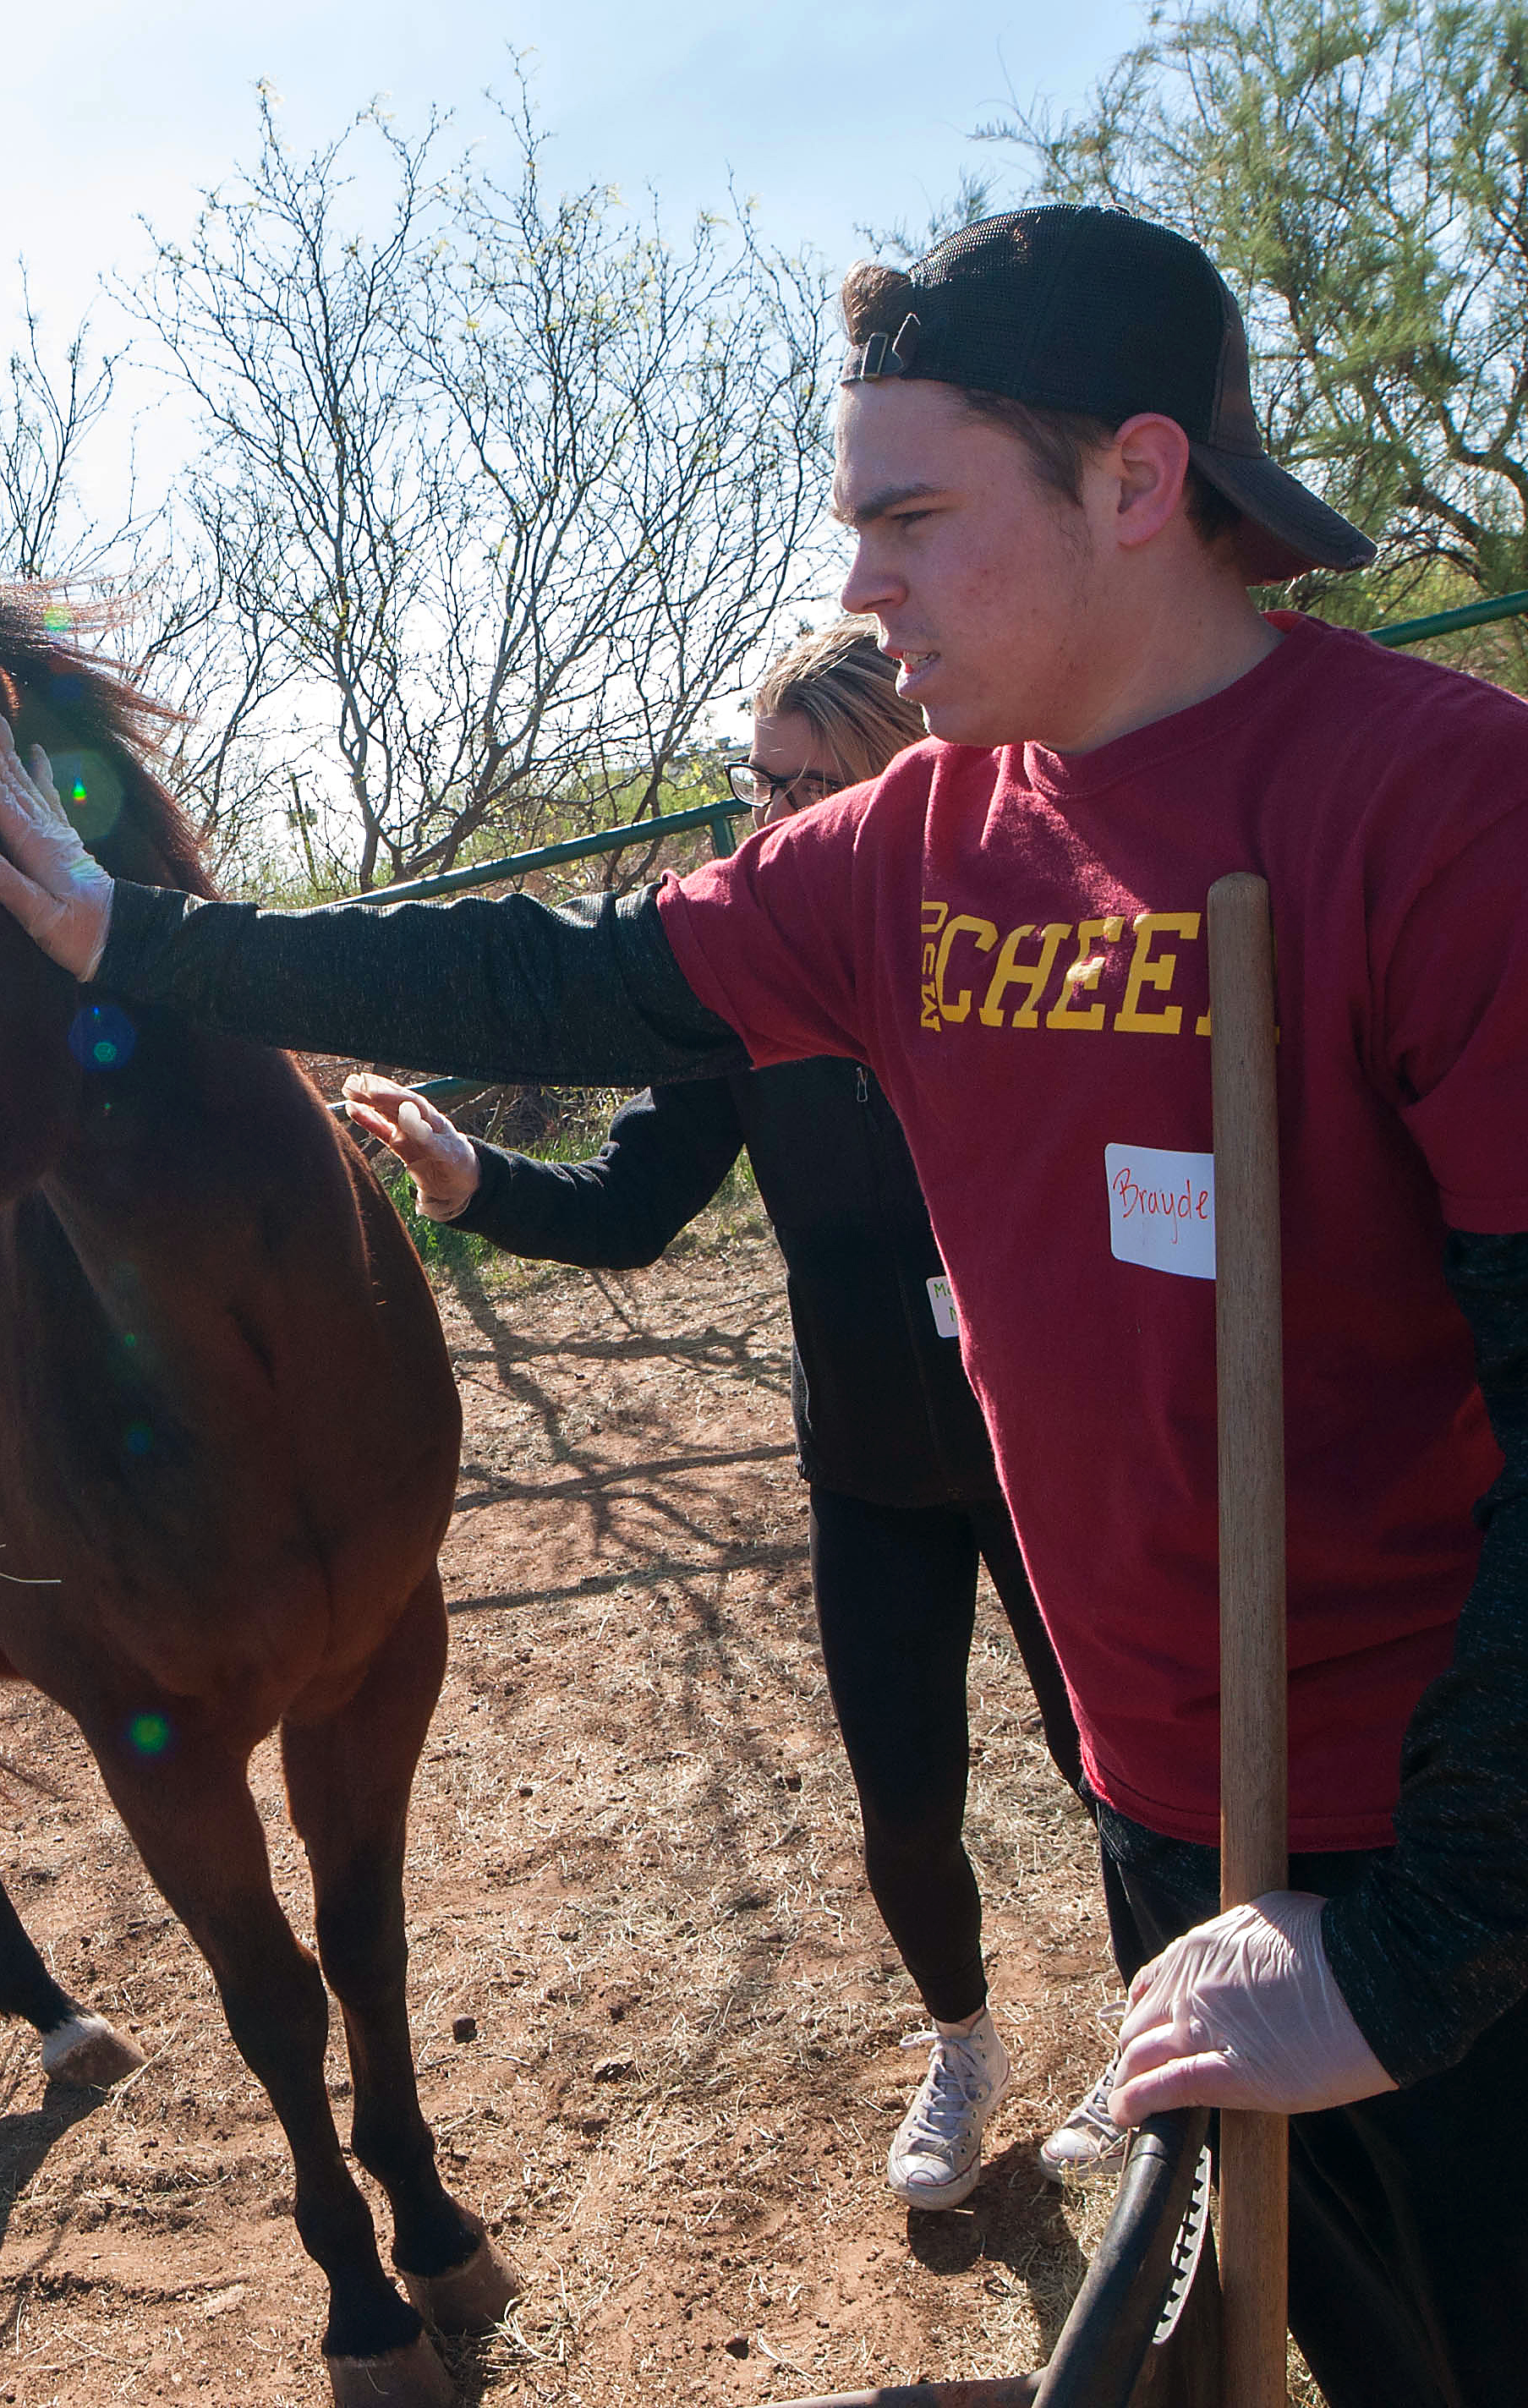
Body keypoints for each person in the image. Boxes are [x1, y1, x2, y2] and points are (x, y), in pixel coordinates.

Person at [0, 206, 1528, 2405]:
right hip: (1180, 1832)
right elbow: (553, 977)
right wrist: (147, 943)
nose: (860, 581)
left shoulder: (1489, 834)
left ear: (1136, 484)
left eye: (910, 514)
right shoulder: (911, 854)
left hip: (1506, 1862)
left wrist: (1415, 1956)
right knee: (1373, 2354)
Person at [340, 620, 1126, 2210]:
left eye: (807, 787)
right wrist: (469, 1177)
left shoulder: (1021, 954)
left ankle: (1163, 2047)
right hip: (875, 1464)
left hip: (1063, 1454)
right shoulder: (755, 985)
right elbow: (639, 1198)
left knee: (1124, 1774)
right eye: (757, 789)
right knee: (903, 1806)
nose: (769, 827)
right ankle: (962, 2043)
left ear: (908, 786)